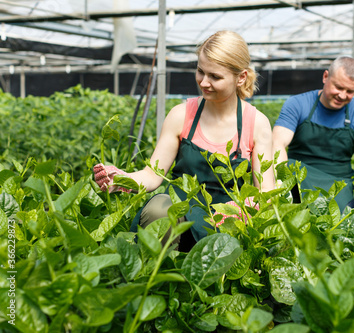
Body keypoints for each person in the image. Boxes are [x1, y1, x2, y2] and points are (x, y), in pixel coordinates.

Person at [94, 30, 274, 251]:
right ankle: (155, 277)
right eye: (200, 71)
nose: (204, 82)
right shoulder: (182, 115)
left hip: (226, 217)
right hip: (181, 206)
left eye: (215, 77)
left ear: (241, 77)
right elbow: (153, 174)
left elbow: (265, 193)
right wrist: (124, 179)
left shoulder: (256, 124)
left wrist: (239, 209)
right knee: (160, 209)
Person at [272, 56, 354, 212]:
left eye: (350, 91)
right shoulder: (298, 104)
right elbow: (277, 143)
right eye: (338, 87)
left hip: (338, 184)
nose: (342, 95)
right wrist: (278, 179)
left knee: (339, 224)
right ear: (325, 77)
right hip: (298, 176)